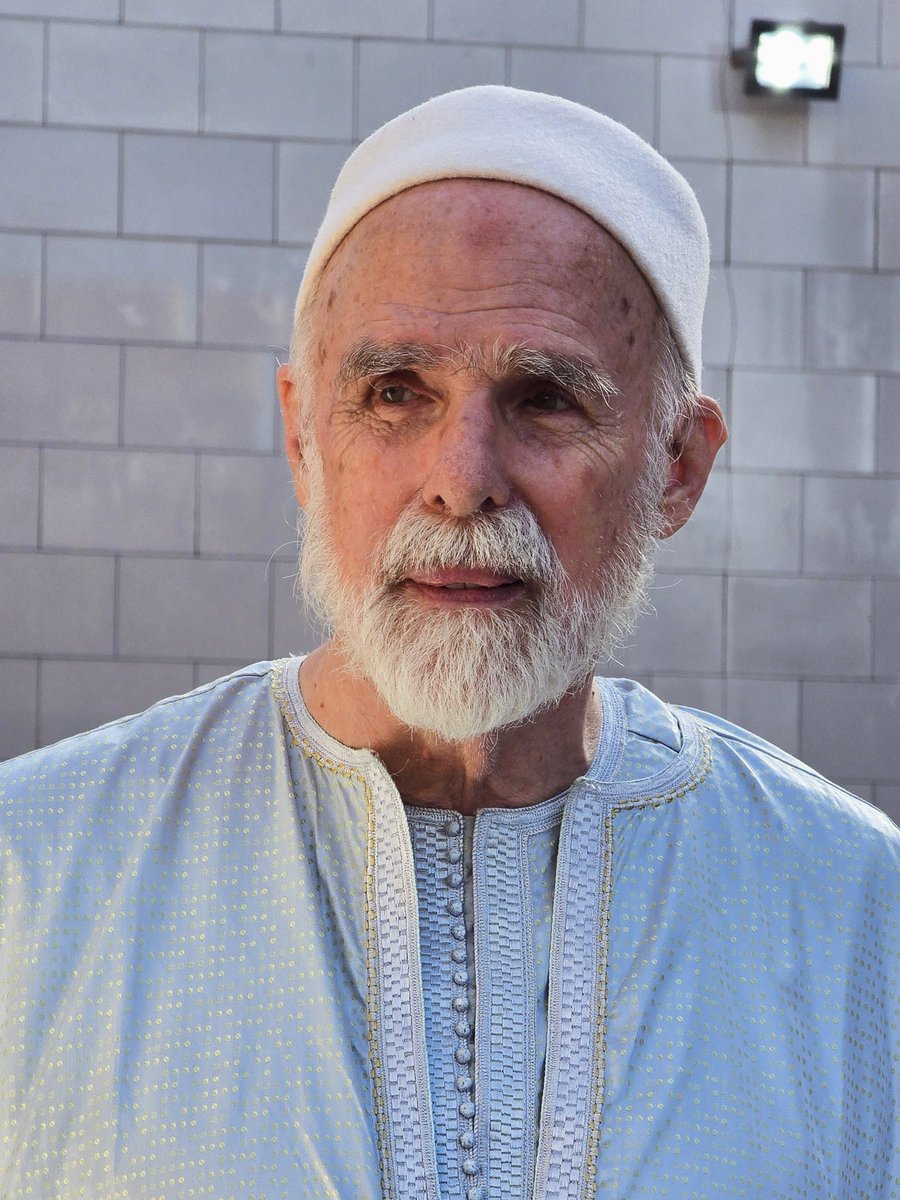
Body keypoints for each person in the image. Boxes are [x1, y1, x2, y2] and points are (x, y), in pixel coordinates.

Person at [0, 86, 896, 1200]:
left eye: (545, 398)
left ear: (676, 466)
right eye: (394, 392)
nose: (462, 481)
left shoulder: (854, 908)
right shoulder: (36, 871)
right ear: (302, 437)